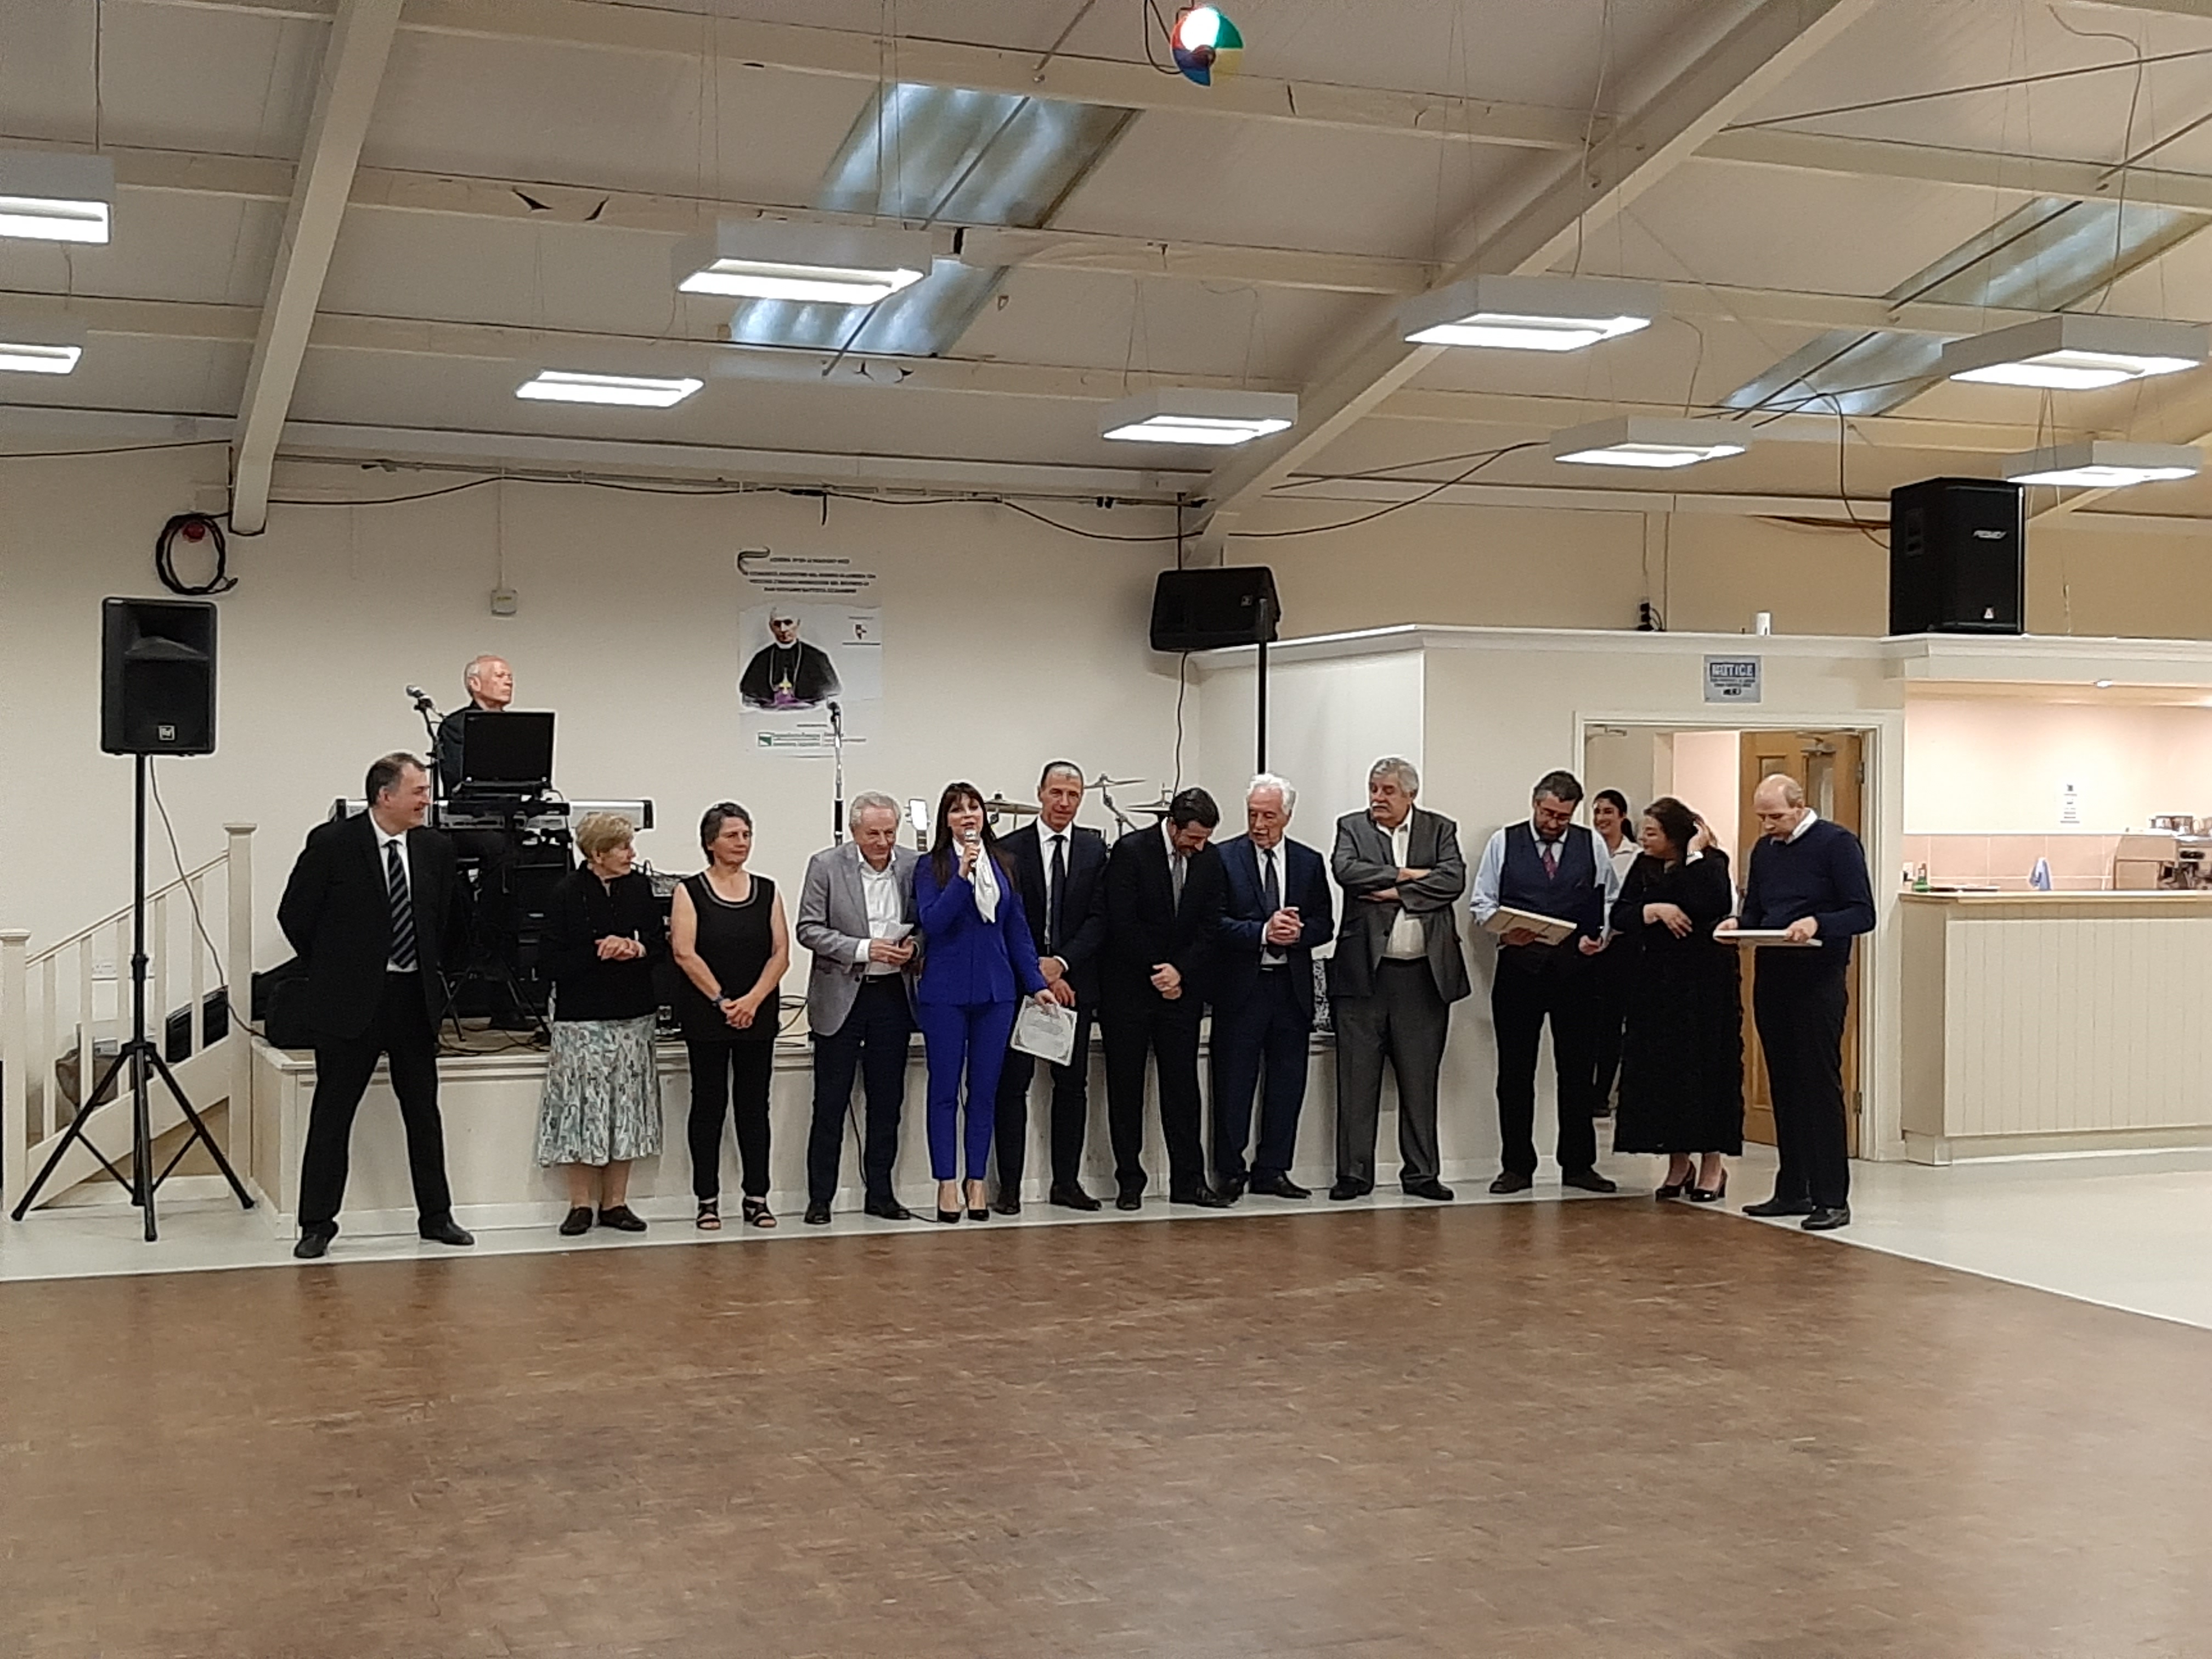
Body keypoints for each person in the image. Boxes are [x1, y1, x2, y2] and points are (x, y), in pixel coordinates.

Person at [276, 752, 474, 1260]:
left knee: (423, 1113)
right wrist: (336, 970)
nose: (427, 800)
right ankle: (317, 1223)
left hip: (413, 998)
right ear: (385, 796)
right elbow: (296, 915)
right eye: (418, 791)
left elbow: (449, 921)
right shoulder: (333, 844)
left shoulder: (434, 848)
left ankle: (437, 1216)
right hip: (349, 1002)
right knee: (333, 1113)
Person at [1720, 775, 1876, 1232]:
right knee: (1784, 1085)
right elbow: (1757, 910)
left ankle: (1832, 1197)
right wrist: (1737, 925)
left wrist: (1817, 923)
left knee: (1819, 1086)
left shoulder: (1837, 844)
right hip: (1774, 976)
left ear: (1800, 805)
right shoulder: (1765, 851)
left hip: (1818, 979)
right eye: (1762, 817)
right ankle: (1793, 1189)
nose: (1768, 825)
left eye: (1776, 816)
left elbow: (1862, 912)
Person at [1471, 769, 1621, 1196]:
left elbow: (1609, 897)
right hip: (1520, 970)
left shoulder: (1591, 844)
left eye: (1563, 817)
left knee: (1577, 1071)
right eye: (1548, 813)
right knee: (1515, 1072)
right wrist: (1503, 929)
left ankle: (1579, 1164)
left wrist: (1601, 935)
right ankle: (1517, 1167)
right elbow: (1482, 902)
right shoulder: (1504, 842)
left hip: (1578, 971)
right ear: (1535, 804)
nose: (1554, 823)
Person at [913, 782, 1057, 1223]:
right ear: (947, 820)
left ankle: (976, 1179)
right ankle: (946, 1181)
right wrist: (962, 876)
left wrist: (1035, 983)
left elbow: (1018, 931)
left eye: (973, 808)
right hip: (945, 992)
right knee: (944, 1090)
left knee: (985, 1091)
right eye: (957, 810)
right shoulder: (931, 866)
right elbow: (933, 922)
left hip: (997, 992)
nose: (967, 816)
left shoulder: (1004, 864)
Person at [1327, 758, 1469, 1202]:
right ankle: (1354, 1174)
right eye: (1373, 788)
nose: (1378, 798)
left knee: (1420, 1081)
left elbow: (1453, 880)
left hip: (1423, 979)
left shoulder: (1440, 829)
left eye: (1388, 790)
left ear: (1410, 794)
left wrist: (1392, 890)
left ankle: (1422, 1174)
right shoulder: (1351, 827)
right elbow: (1347, 871)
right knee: (1356, 1081)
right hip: (1363, 977)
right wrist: (1410, 876)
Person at [1100, 787, 1231, 1210]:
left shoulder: (1209, 860)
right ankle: (1130, 1181)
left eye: (1205, 838)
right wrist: (1158, 969)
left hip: (1181, 991)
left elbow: (1210, 924)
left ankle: (1189, 1180)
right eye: (1192, 837)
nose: (1199, 846)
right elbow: (1122, 921)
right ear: (1172, 825)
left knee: (1183, 1089)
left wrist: (1180, 971)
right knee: (1126, 1088)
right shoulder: (1131, 851)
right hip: (1130, 988)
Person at [795, 792, 922, 1226]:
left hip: (892, 996)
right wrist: (865, 949)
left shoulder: (913, 865)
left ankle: (881, 1194)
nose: (883, 842)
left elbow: (928, 922)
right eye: (873, 834)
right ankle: (820, 1197)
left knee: (887, 1102)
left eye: (890, 832)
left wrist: (913, 948)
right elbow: (808, 929)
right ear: (854, 832)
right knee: (830, 1102)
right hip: (841, 995)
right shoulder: (826, 866)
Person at [534, 812, 663, 1237]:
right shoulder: (566, 893)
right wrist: (599, 952)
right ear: (597, 854)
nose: (631, 854)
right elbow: (549, 963)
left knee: (627, 1107)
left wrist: (635, 948)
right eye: (623, 847)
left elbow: (658, 946)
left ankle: (616, 1202)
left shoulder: (639, 888)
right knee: (582, 1108)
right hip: (582, 1018)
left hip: (634, 1015)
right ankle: (580, 1204)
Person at [1609, 798, 1742, 1202]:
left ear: (1676, 834)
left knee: (1706, 1071)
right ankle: (1677, 1162)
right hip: (1656, 986)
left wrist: (1694, 856)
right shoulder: (1643, 866)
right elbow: (1621, 915)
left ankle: (1713, 1166)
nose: (1644, 840)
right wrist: (1653, 910)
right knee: (1663, 1074)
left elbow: (1710, 903)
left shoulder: (1711, 864)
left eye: (1653, 833)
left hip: (1705, 986)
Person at [1209, 774, 1334, 1201]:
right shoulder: (1223, 857)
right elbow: (1214, 923)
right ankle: (1230, 1171)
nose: (1259, 825)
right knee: (1233, 1083)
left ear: (1287, 816)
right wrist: (1263, 932)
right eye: (1252, 815)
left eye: (1268, 816)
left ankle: (1274, 1169)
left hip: (1290, 989)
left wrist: (1298, 933)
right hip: (1242, 988)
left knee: (1287, 1083)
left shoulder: (1308, 862)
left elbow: (1324, 923)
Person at [991, 761, 1107, 1214]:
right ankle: (1010, 1187)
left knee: (1072, 1086)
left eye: (1073, 795)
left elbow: (1100, 918)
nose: (1064, 802)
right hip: (1021, 985)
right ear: (1040, 792)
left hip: (1073, 985)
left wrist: (1061, 966)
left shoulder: (1095, 849)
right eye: (1056, 792)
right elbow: (1006, 920)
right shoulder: (1009, 849)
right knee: (1012, 1086)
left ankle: (1067, 1183)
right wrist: (1036, 975)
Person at [670, 802, 791, 1231]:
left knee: (754, 1106)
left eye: (746, 835)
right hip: (708, 1015)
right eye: (732, 836)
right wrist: (723, 1002)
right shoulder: (689, 891)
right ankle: (707, 1198)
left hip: (757, 1014)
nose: (742, 843)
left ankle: (757, 1196)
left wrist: (752, 1001)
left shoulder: (767, 890)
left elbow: (781, 953)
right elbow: (684, 952)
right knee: (709, 1105)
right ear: (710, 843)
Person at [1587, 788, 1639, 1119]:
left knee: (1613, 1023)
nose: (1601, 818)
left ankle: (1603, 1093)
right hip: (1590, 946)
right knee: (1590, 1021)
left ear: (1622, 816)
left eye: (1608, 811)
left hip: (1622, 947)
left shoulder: (1635, 855)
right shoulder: (1588, 848)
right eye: (1597, 812)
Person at [433, 653, 514, 792]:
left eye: (510, 677)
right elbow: (456, 778)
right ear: (475, 683)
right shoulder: (456, 725)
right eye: (500, 676)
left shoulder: (516, 726)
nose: (508, 682)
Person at [739, 607, 842, 710]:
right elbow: (749, 700)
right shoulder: (761, 658)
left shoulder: (817, 656)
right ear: (771, 627)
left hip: (809, 711)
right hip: (769, 712)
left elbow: (831, 694)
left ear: (798, 624)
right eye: (777, 624)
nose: (783, 629)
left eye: (788, 623)